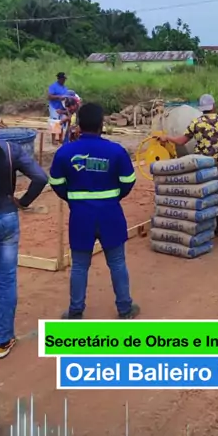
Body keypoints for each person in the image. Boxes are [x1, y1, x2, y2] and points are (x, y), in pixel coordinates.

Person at [49, 102, 139, 320]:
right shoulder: (116, 151)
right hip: (110, 214)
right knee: (117, 263)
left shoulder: (65, 152)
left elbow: (56, 183)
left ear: (79, 124)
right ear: (101, 124)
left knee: (79, 266)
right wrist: (113, 197)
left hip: (80, 216)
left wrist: (73, 198)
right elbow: (128, 181)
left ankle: (75, 311)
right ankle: (125, 308)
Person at [0, 105, 48, 359]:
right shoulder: (11, 149)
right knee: (6, 281)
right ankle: (2, 340)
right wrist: (23, 202)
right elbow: (40, 178)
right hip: (7, 220)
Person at [160, 94, 218, 237]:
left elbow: (181, 141)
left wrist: (167, 137)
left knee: (200, 193)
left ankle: (202, 227)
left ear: (202, 108)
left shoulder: (196, 123)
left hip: (201, 165)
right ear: (214, 106)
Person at [48, 72, 75, 146]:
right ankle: (53, 140)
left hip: (62, 107)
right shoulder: (53, 86)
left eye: (65, 79)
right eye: (63, 79)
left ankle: (60, 138)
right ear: (59, 79)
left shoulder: (65, 88)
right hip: (54, 107)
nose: (64, 80)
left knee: (62, 122)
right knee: (54, 122)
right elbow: (49, 96)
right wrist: (59, 97)